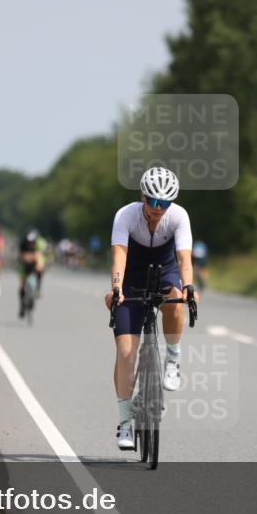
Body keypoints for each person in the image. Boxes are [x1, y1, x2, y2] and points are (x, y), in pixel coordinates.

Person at [104, 167, 198, 450]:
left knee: (175, 298)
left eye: (165, 203)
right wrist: (117, 288)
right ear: (142, 196)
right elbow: (119, 257)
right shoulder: (125, 215)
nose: (158, 209)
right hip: (131, 276)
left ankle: (173, 357)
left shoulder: (179, 217)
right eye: (153, 202)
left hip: (165, 270)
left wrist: (189, 287)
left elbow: (184, 259)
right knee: (125, 352)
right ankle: (124, 423)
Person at [18, 228, 48, 318]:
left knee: (40, 268)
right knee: (22, 285)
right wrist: (27, 258)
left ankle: (38, 288)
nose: (30, 244)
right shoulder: (23, 244)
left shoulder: (39, 244)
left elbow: (40, 257)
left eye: (32, 242)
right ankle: (22, 305)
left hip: (34, 263)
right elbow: (21, 257)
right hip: (24, 266)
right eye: (29, 242)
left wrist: (39, 264)